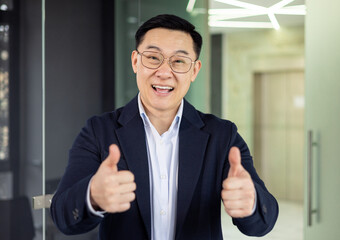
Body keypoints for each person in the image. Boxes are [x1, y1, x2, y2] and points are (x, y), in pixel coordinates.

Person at [50, 14, 278, 240]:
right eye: (153, 57)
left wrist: (251, 203)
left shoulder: (222, 135)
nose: (164, 72)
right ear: (135, 62)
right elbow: (63, 216)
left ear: (194, 71)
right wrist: (92, 197)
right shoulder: (99, 131)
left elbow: (263, 224)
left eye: (178, 61)